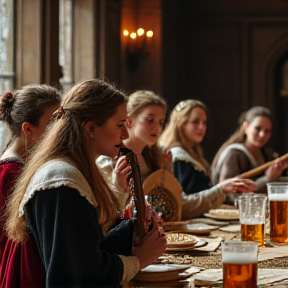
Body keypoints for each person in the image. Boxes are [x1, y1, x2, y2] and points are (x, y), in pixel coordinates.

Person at [5, 79, 166, 288]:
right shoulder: (62, 182)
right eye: (119, 125)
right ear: (91, 128)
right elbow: (77, 275)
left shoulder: (75, 169)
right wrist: (140, 260)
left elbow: (84, 244)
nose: (125, 135)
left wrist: (134, 229)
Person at [0, 84, 61, 288]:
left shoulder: (21, 167)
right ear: (28, 129)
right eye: (53, 123)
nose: (60, 130)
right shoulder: (11, 173)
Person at [159, 99, 256, 219]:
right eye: (195, 122)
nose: (202, 127)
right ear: (181, 123)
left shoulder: (193, 154)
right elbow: (182, 203)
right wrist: (220, 190)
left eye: (204, 123)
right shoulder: (177, 157)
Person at [96, 90, 168, 214]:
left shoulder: (152, 157)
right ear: (129, 121)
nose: (157, 127)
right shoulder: (109, 159)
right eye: (150, 120)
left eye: (161, 122)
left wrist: (167, 171)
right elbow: (107, 210)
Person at [211, 106, 288, 204]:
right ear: (246, 127)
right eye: (257, 128)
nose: (262, 135)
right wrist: (267, 179)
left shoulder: (265, 153)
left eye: (267, 131)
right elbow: (231, 196)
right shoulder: (233, 154)